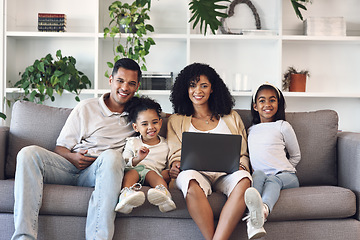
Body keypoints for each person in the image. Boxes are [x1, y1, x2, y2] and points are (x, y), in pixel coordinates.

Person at [11, 58, 142, 240]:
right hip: (67, 167)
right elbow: (60, 148)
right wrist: (72, 157)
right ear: (111, 81)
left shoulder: (138, 116)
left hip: (100, 172)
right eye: (120, 80)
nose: (125, 87)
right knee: (28, 153)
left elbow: (157, 123)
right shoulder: (87, 107)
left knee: (113, 156)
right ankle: (23, 237)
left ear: (137, 87)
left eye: (131, 83)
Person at [167, 62, 252, 240]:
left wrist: (242, 167)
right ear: (185, 88)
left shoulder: (231, 117)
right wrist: (175, 165)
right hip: (195, 174)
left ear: (212, 89)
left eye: (204, 85)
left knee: (244, 180)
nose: (198, 90)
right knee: (188, 179)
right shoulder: (176, 120)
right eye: (192, 85)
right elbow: (175, 154)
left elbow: (243, 153)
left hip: (226, 174)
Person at [244, 83, 301, 239]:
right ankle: (252, 213)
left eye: (272, 100)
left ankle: (263, 211)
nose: (267, 104)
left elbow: (296, 156)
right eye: (262, 101)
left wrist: (284, 169)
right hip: (262, 175)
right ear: (255, 106)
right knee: (257, 176)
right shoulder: (251, 130)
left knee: (273, 180)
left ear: (279, 104)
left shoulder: (283, 126)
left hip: (286, 176)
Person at [115, 96, 176, 214]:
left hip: (154, 173)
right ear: (135, 127)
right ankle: (126, 196)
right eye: (144, 124)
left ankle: (164, 196)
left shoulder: (166, 144)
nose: (151, 127)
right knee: (132, 173)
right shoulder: (132, 142)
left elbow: (169, 163)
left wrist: (168, 171)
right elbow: (124, 162)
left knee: (152, 174)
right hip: (134, 171)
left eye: (154, 122)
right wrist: (138, 159)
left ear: (160, 122)